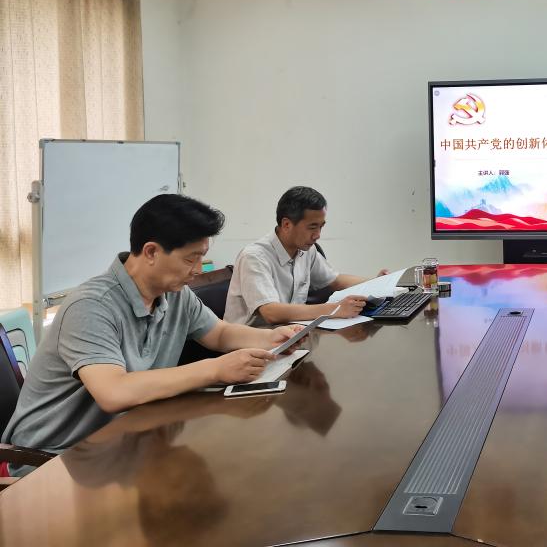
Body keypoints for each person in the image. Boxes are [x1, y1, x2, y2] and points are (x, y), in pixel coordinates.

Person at [1, 194, 303, 471]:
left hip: (125, 440)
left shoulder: (175, 294)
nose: (199, 269)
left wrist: (272, 337)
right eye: (191, 258)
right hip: (56, 460)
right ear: (151, 252)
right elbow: (114, 392)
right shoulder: (91, 306)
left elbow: (220, 334)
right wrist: (216, 369)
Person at [224, 186, 386, 327]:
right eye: (312, 227)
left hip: (290, 333)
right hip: (251, 341)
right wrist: (335, 309)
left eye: (321, 227)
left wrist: (378, 283)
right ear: (287, 224)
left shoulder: (307, 250)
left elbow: (335, 280)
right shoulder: (254, 257)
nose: (318, 235)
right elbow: (270, 312)